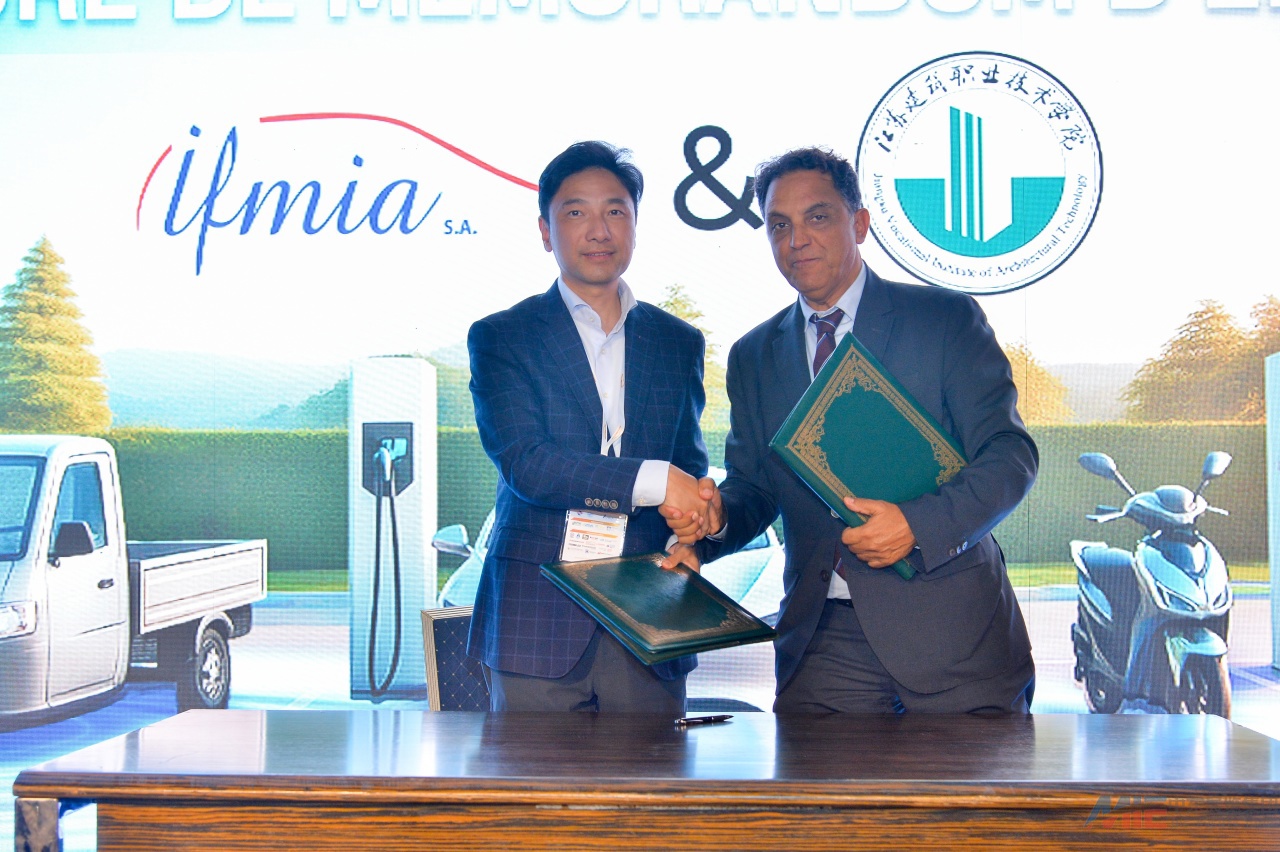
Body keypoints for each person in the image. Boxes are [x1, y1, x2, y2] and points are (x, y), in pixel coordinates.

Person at [662, 147, 1036, 714]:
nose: (797, 240)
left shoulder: (944, 320)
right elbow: (756, 488)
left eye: (818, 217)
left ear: (859, 223)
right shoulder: (753, 355)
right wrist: (716, 522)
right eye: (779, 225)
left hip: (956, 635)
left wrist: (916, 525)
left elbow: (1010, 456)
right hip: (822, 644)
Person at [467, 140, 711, 712]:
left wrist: (689, 535)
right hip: (536, 619)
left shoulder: (678, 341)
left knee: (655, 772)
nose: (599, 230)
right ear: (546, 231)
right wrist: (659, 481)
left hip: (652, 616)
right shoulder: (503, 336)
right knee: (532, 776)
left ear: (635, 226)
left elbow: (688, 464)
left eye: (615, 210)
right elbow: (528, 464)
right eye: (576, 212)